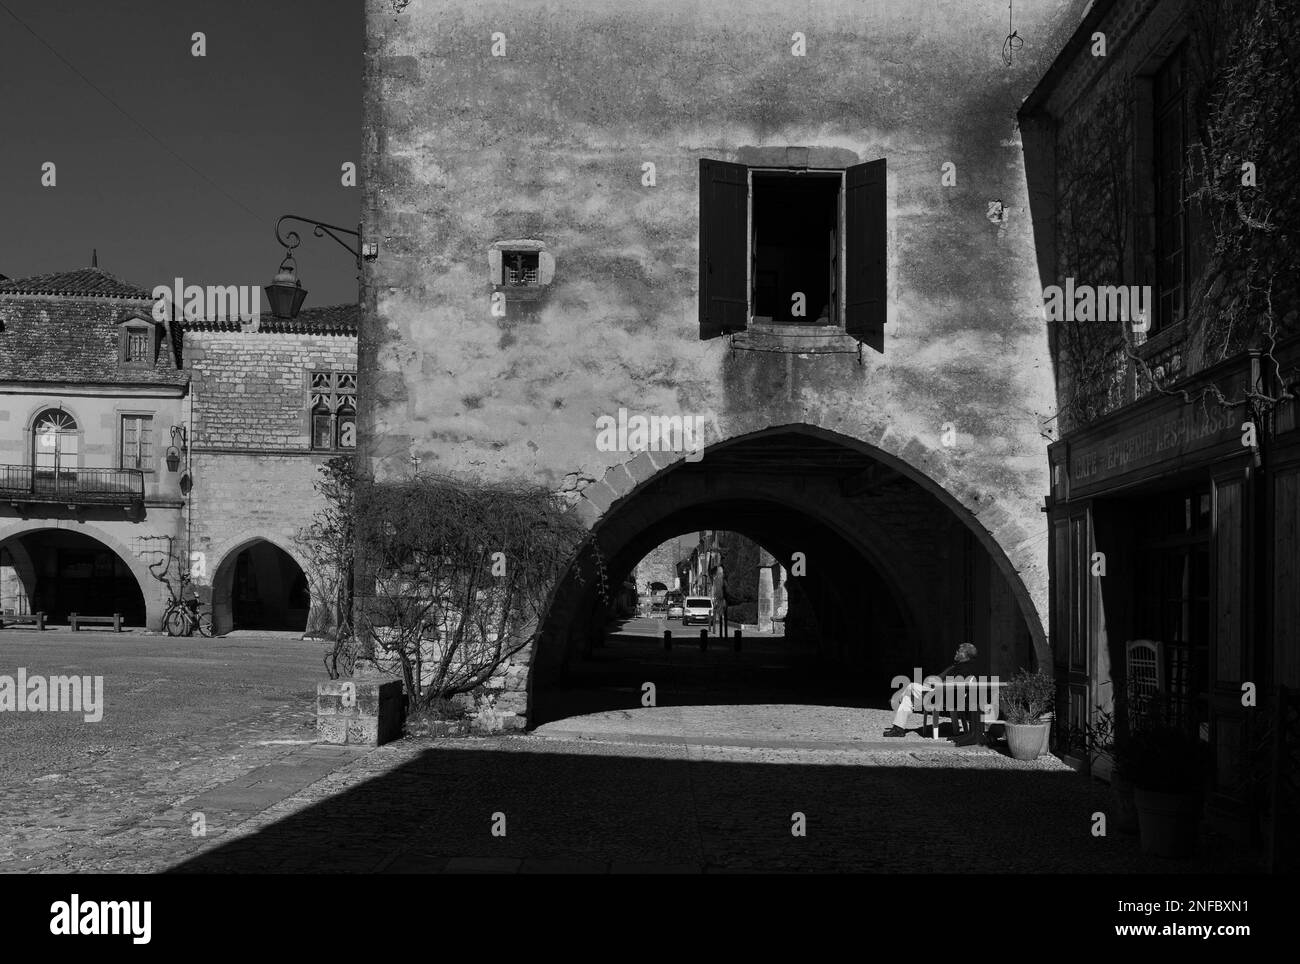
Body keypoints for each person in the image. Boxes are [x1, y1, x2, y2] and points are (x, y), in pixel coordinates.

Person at [883, 643, 978, 737]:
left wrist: (937, 685)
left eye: (959, 651)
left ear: (966, 655)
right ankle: (898, 728)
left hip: (943, 696)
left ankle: (897, 700)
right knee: (907, 698)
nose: (956, 652)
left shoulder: (965, 669)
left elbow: (953, 684)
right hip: (941, 693)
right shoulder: (959, 666)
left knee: (911, 686)